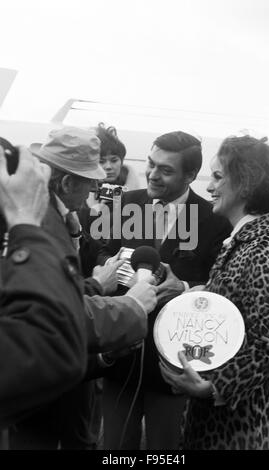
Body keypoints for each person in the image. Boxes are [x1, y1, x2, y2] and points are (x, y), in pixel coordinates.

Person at [9, 127, 157, 450]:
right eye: (90, 180)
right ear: (66, 183)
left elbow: (51, 292)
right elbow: (53, 315)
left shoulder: (54, 216)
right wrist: (131, 306)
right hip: (40, 408)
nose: (97, 186)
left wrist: (93, 284)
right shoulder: (39, 223)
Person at [98, 130, 232, 449]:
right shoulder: (126, 203)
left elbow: (222, 289)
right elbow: (102, 252)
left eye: (166, 170)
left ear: (190, 175)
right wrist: (117, 266)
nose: (153, 174)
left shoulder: (214, 220)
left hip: (173, 367)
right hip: (120, 359)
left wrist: (184, 287)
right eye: (151, 163)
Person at [160, 135, 269, 450]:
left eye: (218, 176)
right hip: (226, 420)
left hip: (246, 426)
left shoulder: (266, 243)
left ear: (246, 183)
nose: (209, 187)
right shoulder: (246, 239)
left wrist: (214, 385)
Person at [0, 144, 88, 442]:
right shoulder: (38, 222)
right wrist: (25, 227)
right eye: (90, 185)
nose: (92, 194)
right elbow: (54, 344)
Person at [79, 123, 141, 276]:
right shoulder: (79, 199)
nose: (108, 166)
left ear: (122, 161)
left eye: (114, 160)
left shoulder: (138, 200)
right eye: (101, 161)